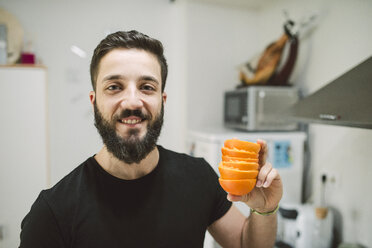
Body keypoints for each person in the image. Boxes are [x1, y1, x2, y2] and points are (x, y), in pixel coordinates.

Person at [19, 30, 283, 248]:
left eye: (147, 87)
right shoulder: (53, 212)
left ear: (162, 101)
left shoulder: (199, 177)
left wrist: (264, 209)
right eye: (114, 87)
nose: (133, 101)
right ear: (94, 101)